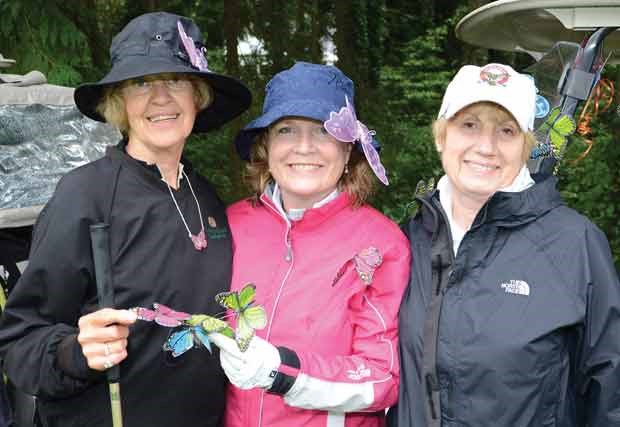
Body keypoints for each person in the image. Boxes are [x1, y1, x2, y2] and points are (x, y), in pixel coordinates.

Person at [0, 12, 251, 427]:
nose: (160, 98)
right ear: (120, 102)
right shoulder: (85, 196)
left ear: (198, 96)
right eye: (140, 84)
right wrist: (74, 352)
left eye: (175, 81)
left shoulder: (207, 198)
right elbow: (20, 338)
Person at [389, 63, 620, 426]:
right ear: (441, 136)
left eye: (506, 131)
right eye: (469, 125)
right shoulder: (406, 240)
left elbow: (611, 391)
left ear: (526, 145)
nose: (486, 146)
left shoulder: (575, 244)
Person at [207, 61, 411, 427]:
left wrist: (282, 371)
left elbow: (383, 378)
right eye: (286, 130)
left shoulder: (381, 243)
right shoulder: (230, 224)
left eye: (323, 131)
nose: (304, 147)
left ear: (349, 151)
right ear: (265, 146)